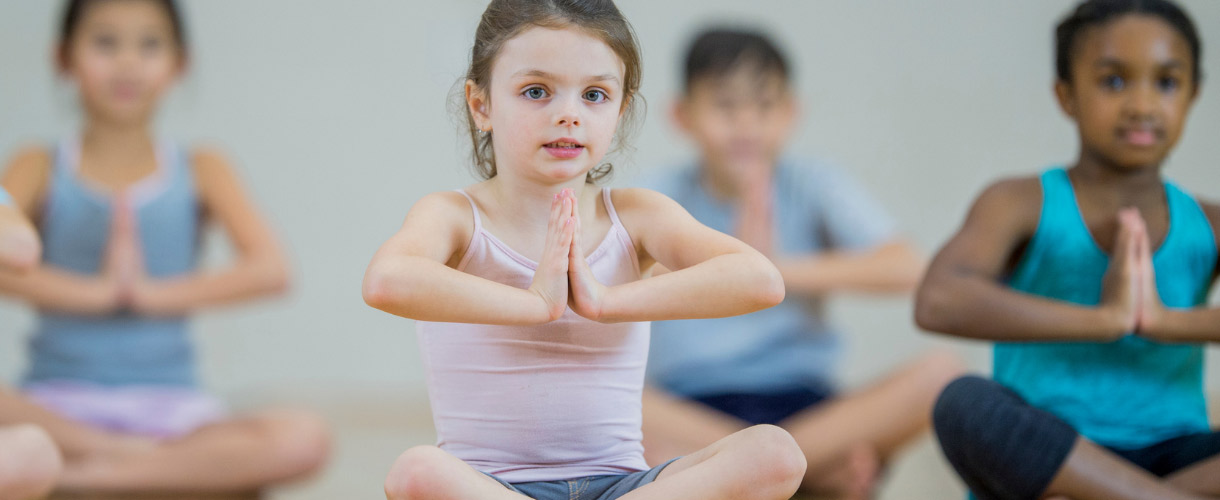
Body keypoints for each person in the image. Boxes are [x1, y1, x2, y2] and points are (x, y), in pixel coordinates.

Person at [362, 1, 806, 499]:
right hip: (497, 488)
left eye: (594, 94)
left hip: (626, 487)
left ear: (619, 110)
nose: (569, 115)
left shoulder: (636, 215)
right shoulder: (453, 216)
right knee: (417, 473)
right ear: (481, 105)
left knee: (775, 453)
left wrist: (605, 302)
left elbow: (760, 280)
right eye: (536, 91)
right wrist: (534, 304)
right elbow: (386, 281)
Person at [0, 0, 329, 493]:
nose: (128, 62)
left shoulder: (203, 167)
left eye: (149, 44)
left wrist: (143, 294)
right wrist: (100, 294)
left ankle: (77, 480)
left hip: (172, 414)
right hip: (52, 404)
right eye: (105, 42)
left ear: (180, 63)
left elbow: (271, 270)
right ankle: (144, 470)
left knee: (304, 437)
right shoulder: (38, 163)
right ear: (63, 58)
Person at [640, 27, 964, 499]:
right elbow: (606, 277)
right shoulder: (657, 195)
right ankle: (807, 478)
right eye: (726, 106)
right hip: (693, 409)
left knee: (945, 375)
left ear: (791, 112)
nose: (746, 124)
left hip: (808, 407)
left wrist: (773, 267)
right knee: (598, 399)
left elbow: (909, 268)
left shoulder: (812, 184)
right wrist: (725, 270)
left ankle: (756, 472)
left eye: (764, 106)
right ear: (683, 114)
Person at [916, 1, 1220, 499]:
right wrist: (1104, 320)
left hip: (1175, 450)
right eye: (1114, 82)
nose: (1143, 105)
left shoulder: (1209, 223)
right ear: (1067, 95)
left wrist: (1160, 320)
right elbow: (939, 300)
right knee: (961, 402)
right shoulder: (1019, 202)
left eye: (1165, 82)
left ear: (1193, 94)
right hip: (1050, 458)